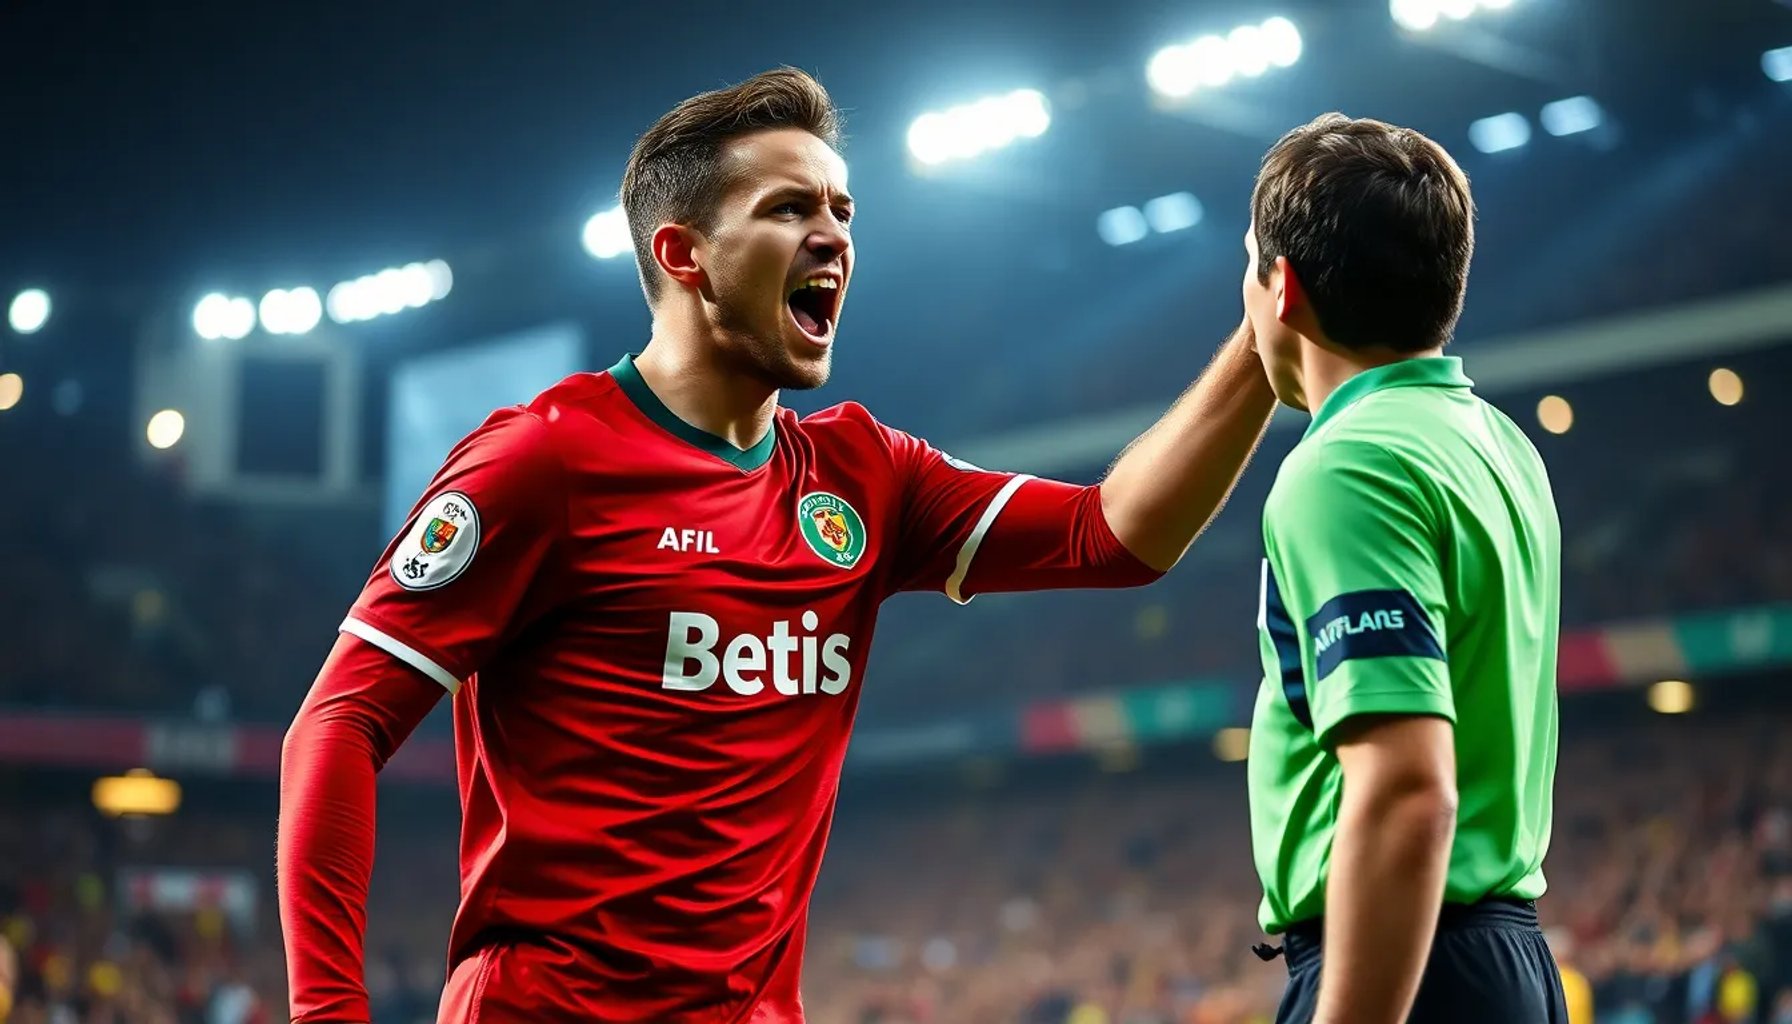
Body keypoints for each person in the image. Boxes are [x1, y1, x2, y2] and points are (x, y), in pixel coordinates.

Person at [277, 67, 1276, 1024]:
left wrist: (1262, 331)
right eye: (791, 209)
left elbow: (1114, 536)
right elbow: (336, 726)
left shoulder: (863, 475)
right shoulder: (545, 460)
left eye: (844, 213)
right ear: (685, 255)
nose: (833, 238)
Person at [1239, 113, 1565, 1024]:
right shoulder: (1496, 442)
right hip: (1503, 956)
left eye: (1249, 268)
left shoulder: (1349, 466)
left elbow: (1410, 788)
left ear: (1282, 287)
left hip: (1410, 962)